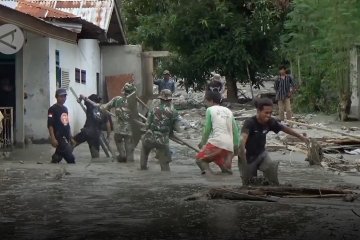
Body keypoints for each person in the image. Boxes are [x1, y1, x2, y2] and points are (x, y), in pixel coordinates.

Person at [238, 98, 309, 185]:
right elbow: (243, 138)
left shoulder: (270, 122)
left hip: (262, 155)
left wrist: (301, 137)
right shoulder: (250, 123)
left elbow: (285, 129)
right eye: (266, 113)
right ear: (258, 111)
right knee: (249, 184)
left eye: (270, 113)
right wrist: (242, 149)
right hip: (247, 158)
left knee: (271, 172)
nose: (268, 115)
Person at [196, 91, 240, 175]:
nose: (205, 104)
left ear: (211, 101)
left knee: (200, 160)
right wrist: (235, 147)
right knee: (226, 170)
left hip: (217, 142)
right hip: (229, 146)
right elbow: (235, 130)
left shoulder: (210, 110)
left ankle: (210, 180)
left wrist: (202, 143)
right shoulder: (228, 111)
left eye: (206, 101)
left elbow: (207, 129)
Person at [140, 89, 181, 171]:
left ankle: (143, 167)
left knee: (144, 149)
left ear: (160, 99)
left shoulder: (153, 109)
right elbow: (178, 129)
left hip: (149, 138)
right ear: (170, 100)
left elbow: (146, 125)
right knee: (165, 166)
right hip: (162, 141)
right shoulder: (174, 112)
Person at [100, 83, 136, 162]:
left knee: (118, 141)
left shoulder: (117, 99)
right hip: (129, 130)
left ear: (124, 91)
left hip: (118, 129)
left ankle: (122, 155)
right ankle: (128, 161)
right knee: (130, 155)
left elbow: (104, 108)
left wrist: (101, 106)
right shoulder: (135, 101)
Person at [72, 94, 110, 158]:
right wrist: (108, 136)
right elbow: (108, 125)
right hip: (96, 135)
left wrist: (79, 100)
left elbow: (81, 95)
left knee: (72, 143)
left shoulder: (90, 104)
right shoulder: (104, 111)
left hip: (86, 132)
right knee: (95, 157)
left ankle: (65, 155)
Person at [47, 88, 75, 164]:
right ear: (56, 97)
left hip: (65, 137)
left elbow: (66, 124)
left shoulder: (65, 109)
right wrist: (53, 138)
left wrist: (70, 137)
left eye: (64, 96)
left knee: (58, 156)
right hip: (58, 137)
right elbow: (50, 125)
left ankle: (54, 160)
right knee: (71, 159)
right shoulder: (52, 109)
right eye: (61, 97)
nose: (63, 98)